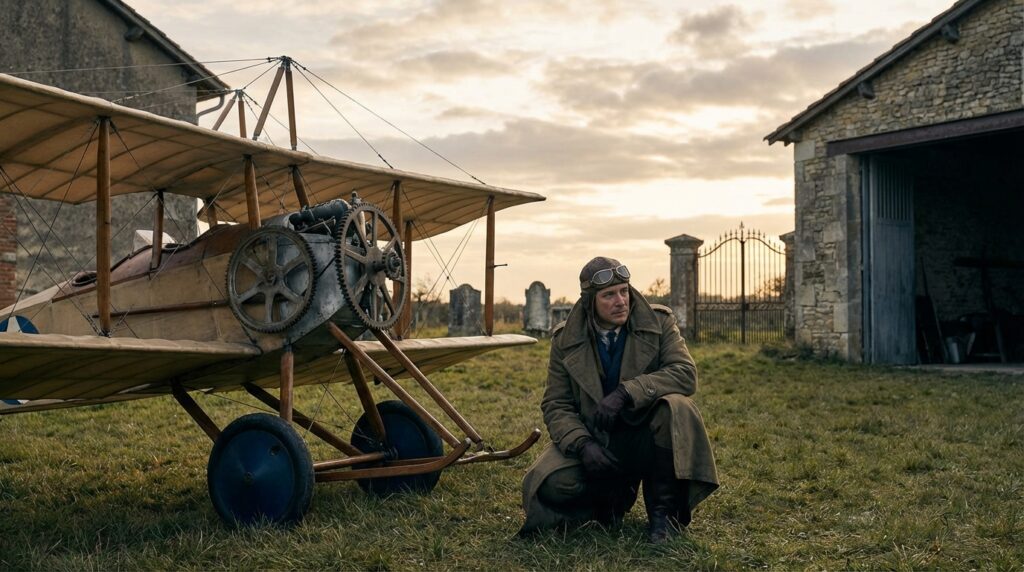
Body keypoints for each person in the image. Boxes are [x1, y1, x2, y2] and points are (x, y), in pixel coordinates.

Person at [519, 256, 719, 543]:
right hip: (597, 439)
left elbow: (685, 374)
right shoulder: (565, 339)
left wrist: (627, 392)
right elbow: (556, 404)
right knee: (551, 483)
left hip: (646, 437)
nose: (621, 301)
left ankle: (665, 516)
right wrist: (583, 445)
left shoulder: (659, 322)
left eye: (624, 291)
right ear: (590, 301)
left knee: (677, 407)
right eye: (609, 295)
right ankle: (608, 501)